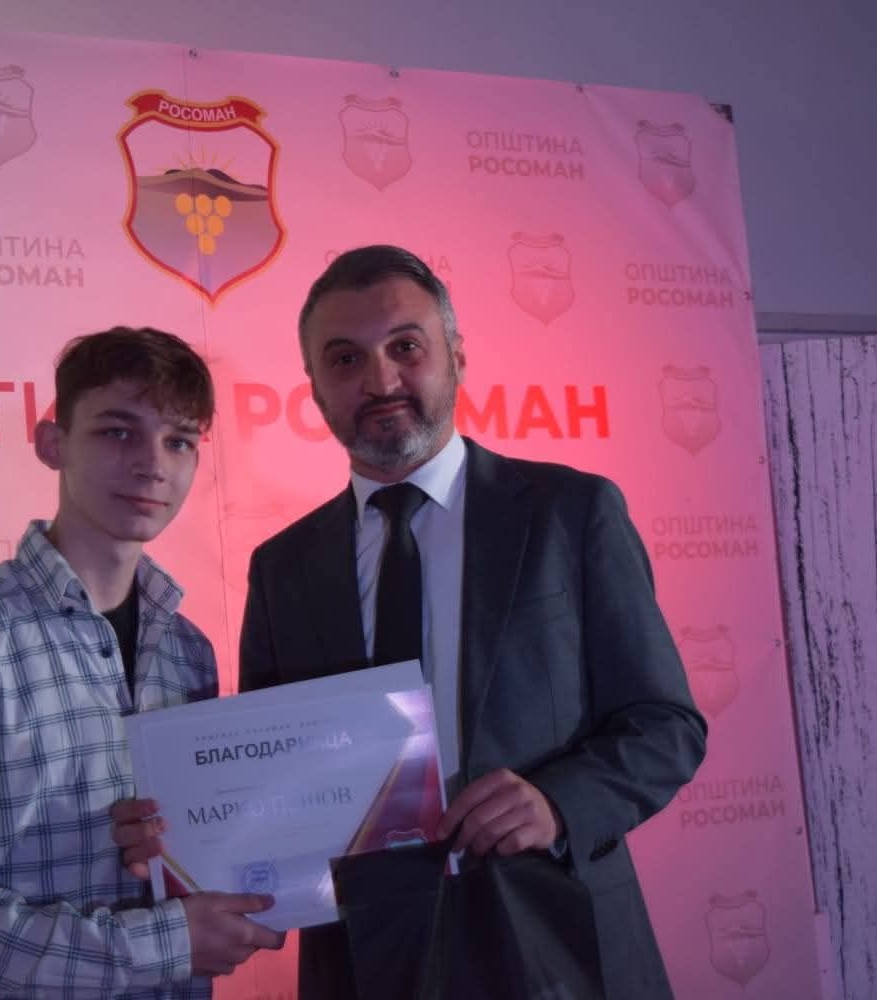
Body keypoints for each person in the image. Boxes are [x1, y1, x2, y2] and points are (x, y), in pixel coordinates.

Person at [233, 245, 707, 998]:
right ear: (315, 389)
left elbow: (667, 726)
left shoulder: (570, 513)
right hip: (362, 963)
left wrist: (558, 802)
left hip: (559, 945)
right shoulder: (281, 566)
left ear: (456, 355)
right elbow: (266, 774)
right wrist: (183, 835)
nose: (380, 380)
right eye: (346, 359)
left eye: (406, 347)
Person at [0, 326, 283, 999]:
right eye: (118, 432)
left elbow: (188, 860)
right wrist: (167, 943)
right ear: (52, 443)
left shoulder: (188, 651)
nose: (153, 464)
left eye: (179, 441)